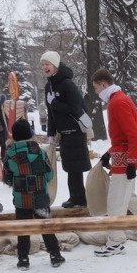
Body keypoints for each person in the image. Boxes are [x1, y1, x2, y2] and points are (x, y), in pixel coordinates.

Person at [91, 68, 137, 257]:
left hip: (123, 159)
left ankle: (115, 241)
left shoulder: (117, 102)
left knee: (115, 201)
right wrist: (109, 153)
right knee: (129, 199)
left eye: (96, 88)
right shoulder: (119, 99)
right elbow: (124, 135)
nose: (96, 92)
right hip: (122, 155)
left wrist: (130, 162)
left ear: (104, 85)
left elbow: (133, 134)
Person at [4, 118, 65, 270]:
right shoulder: (40, 152)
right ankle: (55, 255)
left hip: (21, 199)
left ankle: (23, 258)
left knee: (23, 228)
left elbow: (7, 178)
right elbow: (49, 175)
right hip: (39, 197)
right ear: (31, 135)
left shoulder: (9, 154)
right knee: (46, 226)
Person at [41, 50, 92, 208]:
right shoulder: (48, 86)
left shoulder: (67, 84)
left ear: (55, 65)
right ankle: (75, 197)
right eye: (42, 64)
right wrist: (50, 133)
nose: (44, 67)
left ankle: (79, 198)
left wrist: (55, 103)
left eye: (47, 64)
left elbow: (76, 107)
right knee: (70, 166)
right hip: (64, 133)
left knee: (75, 166)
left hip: (74, 131)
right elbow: (51, 113)